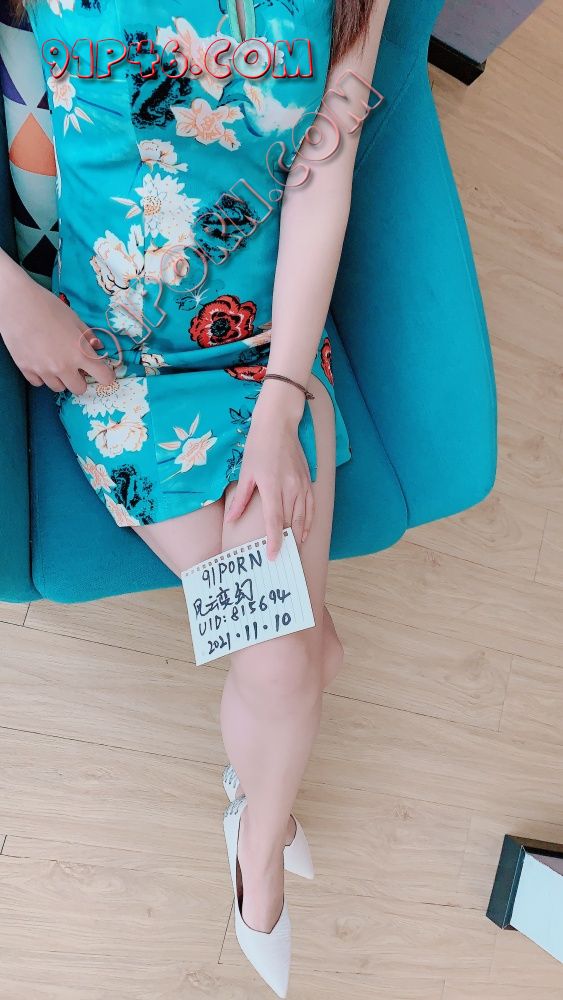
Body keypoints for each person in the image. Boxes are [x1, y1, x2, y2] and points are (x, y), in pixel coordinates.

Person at [0, 0, 390, 995]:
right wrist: (7, 293)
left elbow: (324, 169)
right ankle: (262, 849)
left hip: (270, 348)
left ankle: (257, 832)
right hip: (117, 364)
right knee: (297, 655)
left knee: (292, 657)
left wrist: (281, 402)